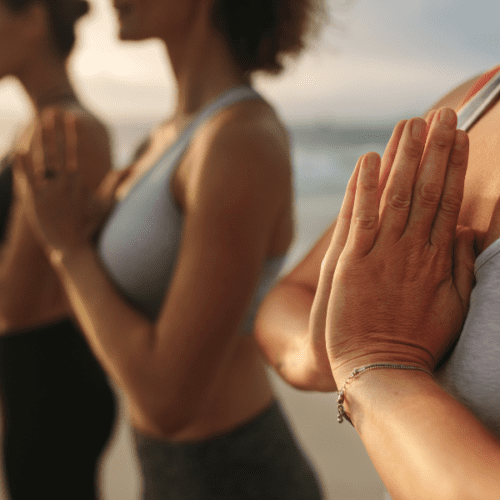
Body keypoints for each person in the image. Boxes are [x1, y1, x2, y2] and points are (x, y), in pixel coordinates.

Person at [14, 0, 327, 498]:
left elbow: (168, 401)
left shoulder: (239, 141)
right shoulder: (163, 139)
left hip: (237, 473)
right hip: (165, 470)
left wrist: (69, 251)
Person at [0, 1, 117, 498]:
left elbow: (15, 302)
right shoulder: (38, 128)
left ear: (31, 17)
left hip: (52, 389)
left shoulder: (63, 133)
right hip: (36, 380)